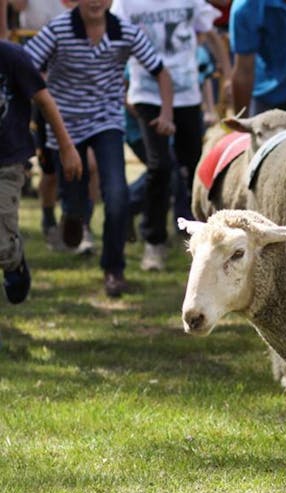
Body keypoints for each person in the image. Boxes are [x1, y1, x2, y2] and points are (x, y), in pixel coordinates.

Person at [24, 0, 175, 297]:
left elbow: (161, 71)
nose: (96, 1)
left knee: (117, 195)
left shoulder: (125, 32)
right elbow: (25, 66)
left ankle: (113, 269)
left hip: (106, 122)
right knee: (76, 199)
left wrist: (167, 113)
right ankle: (73, 214)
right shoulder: (58, 30)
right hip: (64, 125)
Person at [111, 0, 230, 272]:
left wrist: (227, 74)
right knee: (160, 166)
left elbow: (210, 31)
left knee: (195, 166)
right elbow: (115, 42)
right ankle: (154, 241)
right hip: (146, 92)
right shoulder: (126, 4)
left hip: (188, 93)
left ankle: (208, 235)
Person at [0, 39, 82, 304]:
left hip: (7, 163)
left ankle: (13, 259)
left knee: (0, 245)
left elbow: (45, 102)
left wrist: (66, 147)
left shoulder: (12, 56)